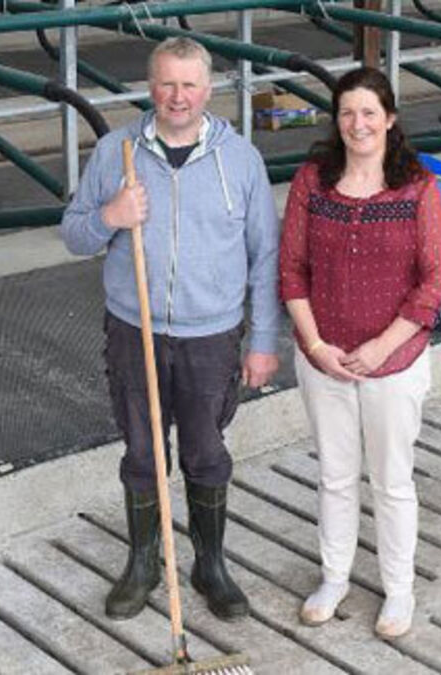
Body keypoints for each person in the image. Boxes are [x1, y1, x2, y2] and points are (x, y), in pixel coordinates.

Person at [61, 37, 280, 622]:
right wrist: (110, 216)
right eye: (166, 83)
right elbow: (74, 234)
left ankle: (210, 565)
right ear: (149, 86)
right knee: (142, 452)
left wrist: (262, 341)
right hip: (135, 329)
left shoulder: (242, 160)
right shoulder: (116, 152)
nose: (177, 96)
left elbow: (265, 257)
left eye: (188, 85)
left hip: (212, 334)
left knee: (206, 452)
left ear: (209, 90)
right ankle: (143, 564)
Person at [279, 67, 441, 640]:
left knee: (391, 480)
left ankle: (399, 589)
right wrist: (315, 344)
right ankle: (334, 578)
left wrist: (380, 347)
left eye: (369, 113)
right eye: (348, 113)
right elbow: (291, 270)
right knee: (334, 476)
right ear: (337, 120)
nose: (358, 124)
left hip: (393, 362)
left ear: (390, 119)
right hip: (323, 356)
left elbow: (434, 281)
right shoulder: (312, 182)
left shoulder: (418, 188)